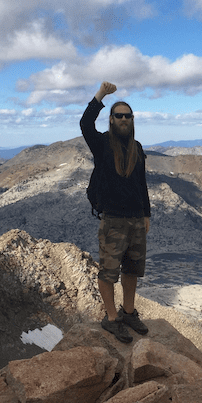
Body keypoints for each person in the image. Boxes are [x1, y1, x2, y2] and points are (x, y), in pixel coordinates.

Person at [80, 81, 151, 343]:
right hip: (113, 219)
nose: (123, 119)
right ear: (111, 119)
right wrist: (100, 95)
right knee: (109, 271)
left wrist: (146, 214)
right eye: (118, 115)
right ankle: (111, 319)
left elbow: (141, 183)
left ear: (132, 120)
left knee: (132, 269)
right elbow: (86, 124)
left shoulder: (138, 148)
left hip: (135, 218)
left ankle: (129, 312)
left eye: (127, 116)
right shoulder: (102, 144)